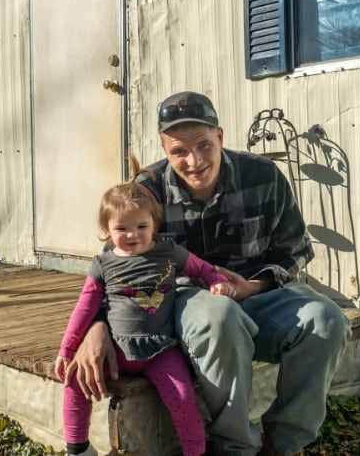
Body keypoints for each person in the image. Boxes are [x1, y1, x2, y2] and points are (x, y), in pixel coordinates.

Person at [66, 91, 352, 456]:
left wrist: (255, 285)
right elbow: (113, 269)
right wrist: (96, 327)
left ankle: (284, 446)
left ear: (220, 135)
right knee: (221, 316)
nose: (194, 161)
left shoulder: (262, 176)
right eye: (179, 151)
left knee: (327, 320)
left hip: (259, 292)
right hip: (183, 306)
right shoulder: (146, 190)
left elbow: (294, 247)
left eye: (203, 145)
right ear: (164, 149)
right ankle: (237, 448)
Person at [55, 155, 237, 456]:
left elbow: (200, 268)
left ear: (155, 225)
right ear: (107, 229)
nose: (133, 235)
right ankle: (77, 447)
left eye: (142, 226)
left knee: (183, 397)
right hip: (117, 351)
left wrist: (216, 280)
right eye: (122, 228)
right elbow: (85, 308)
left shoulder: (168, 252)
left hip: (160, 350)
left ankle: (196, 452)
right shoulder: (103, 264)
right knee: (75, 378)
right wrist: (67, 349)